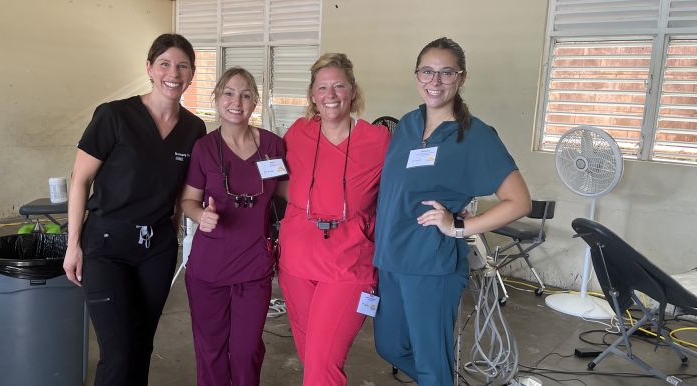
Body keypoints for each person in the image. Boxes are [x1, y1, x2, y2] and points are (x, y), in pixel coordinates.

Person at [372, 37, 532, 386]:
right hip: (389, 260)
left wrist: (459, 226)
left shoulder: (475, 136)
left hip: (430, 265)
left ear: (461, 78)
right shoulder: (407, 126)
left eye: (447, 73)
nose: (435, 81)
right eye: (428, 72)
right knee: (389, 347)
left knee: (432, 363)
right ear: (417, 75)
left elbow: (519, 201)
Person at [62, 33, 206, 386]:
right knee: (119, 352)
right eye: (165, 64)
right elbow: (80, 181)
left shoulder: (193, 129)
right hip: (106, 247)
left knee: (141, 347)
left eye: (183, 66)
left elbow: (182, 194)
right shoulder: (114, 116)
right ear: (150, 69)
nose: (174, 73)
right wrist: (73, 245)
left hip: (156, 250)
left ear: (191, 74)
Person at [277, 53, 391, 386]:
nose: (331, 95)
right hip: (296, 265)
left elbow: (404, 189)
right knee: (312, 358)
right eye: (323, 87)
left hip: (348, 266)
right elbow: (279, 183)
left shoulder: (378, 140)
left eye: (339, 86)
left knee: (322, 364)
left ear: (353, 91)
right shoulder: (297, 134)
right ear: (312, 94)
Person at [180, 67, 287, 386]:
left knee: (246, 350)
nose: (236, 101)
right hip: (208, 270)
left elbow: (288, 192)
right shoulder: (204, 148)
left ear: (255, 101)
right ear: (217, 98)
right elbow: (187, 201)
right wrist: (201, 216)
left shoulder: (272, 146)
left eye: (245, 94)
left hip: (254, 268)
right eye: (228, 93)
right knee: (210, 349)